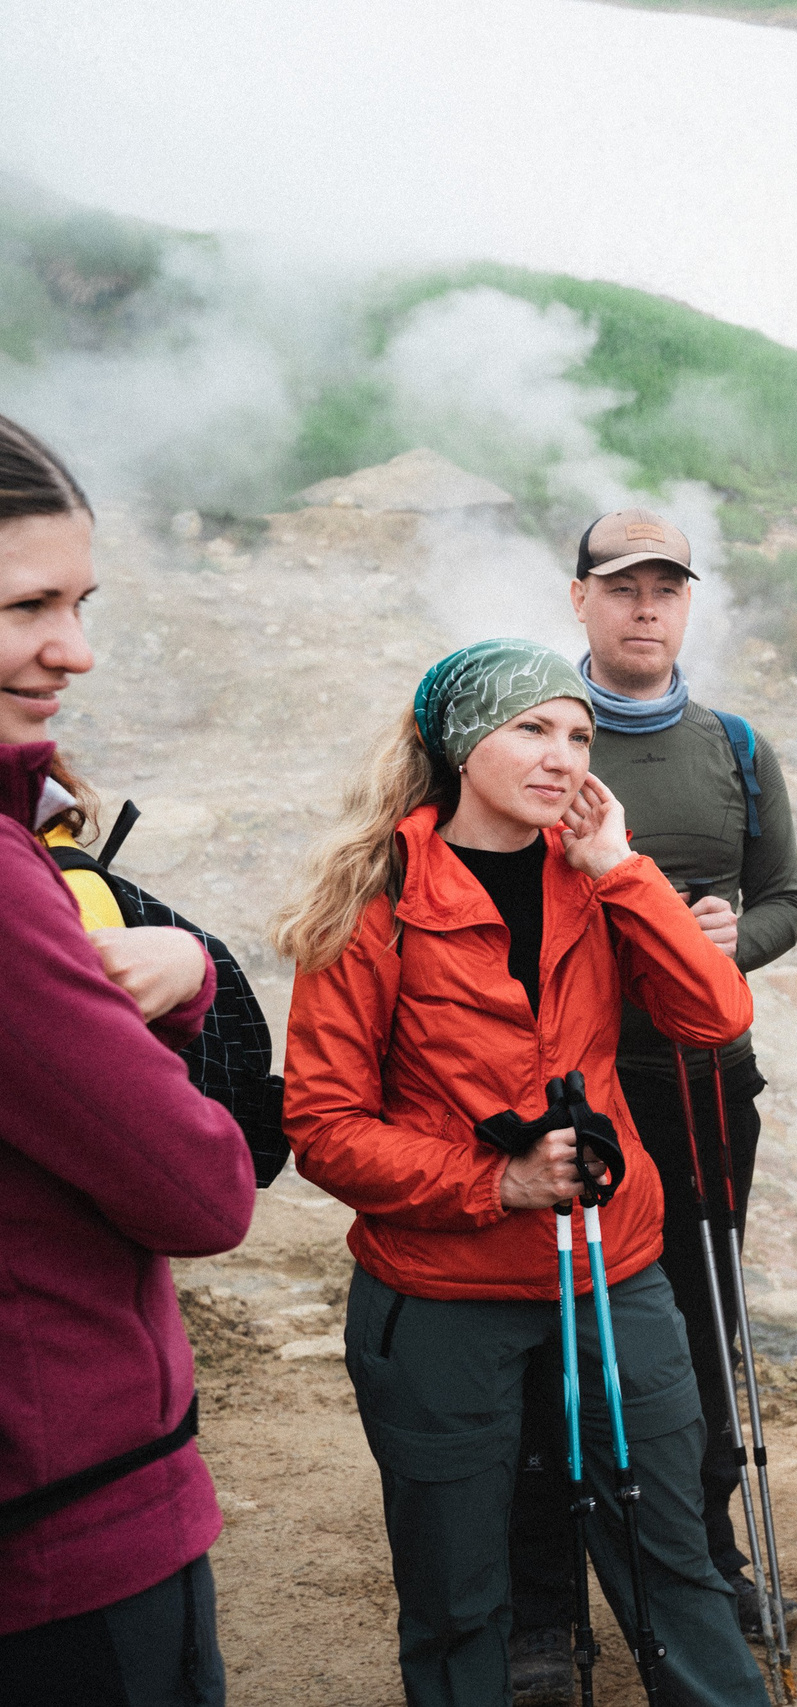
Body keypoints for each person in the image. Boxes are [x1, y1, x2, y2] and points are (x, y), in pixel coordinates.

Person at [274, 639, 765, 1707]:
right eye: (532, 729)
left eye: (579, 735)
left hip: (612, 1271)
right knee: (456, 1592)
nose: (563, 756)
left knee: (675, 1560)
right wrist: (494, 1184)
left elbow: (715, 1016)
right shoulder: (375, 897)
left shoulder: (595, 878)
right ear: (462, 744)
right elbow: (322, 1124)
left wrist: (622, 870)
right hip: (442, 1289)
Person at [503, 507, 797, 1697]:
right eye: (623, 587)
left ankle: (708, 1564)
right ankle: (545, 1603)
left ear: (687, 604)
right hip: (563, 1094)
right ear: (578, 597)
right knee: (550, 1334)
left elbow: (784, 900)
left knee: (695, 1327)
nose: (645, 608)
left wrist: (736, 939)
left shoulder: (734, 746)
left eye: (666, 588)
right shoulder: (533, 739)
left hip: (699, 1087)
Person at [0, 415, 255, 1703]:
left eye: (80, 603)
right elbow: (201, 1190)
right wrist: (187, 990)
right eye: (27, 606)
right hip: (66, 1528)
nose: (75, 650)